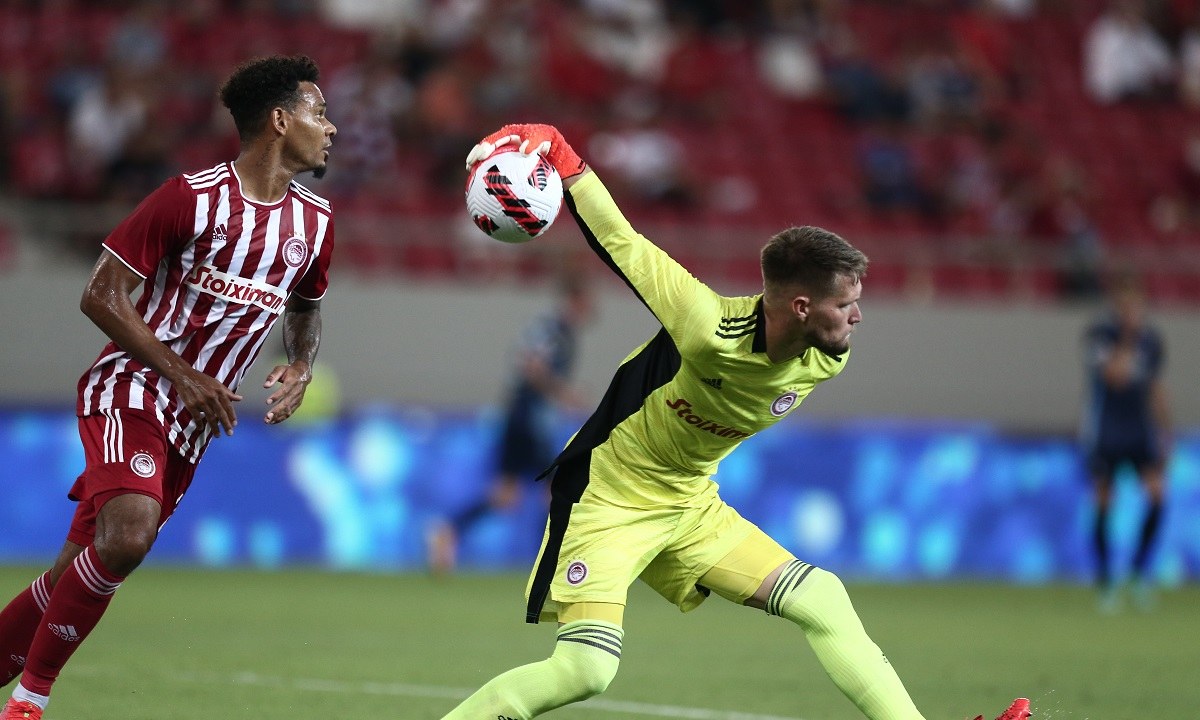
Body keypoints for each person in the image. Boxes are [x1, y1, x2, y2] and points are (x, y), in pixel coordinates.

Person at [439, 123, 1029, 720]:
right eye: (845, 305)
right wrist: (565, 158)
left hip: (689, 504)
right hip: (610, 495)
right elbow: (623, 243)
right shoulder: (706, 326)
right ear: (802, 307)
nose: (857, 318)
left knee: (822, 597)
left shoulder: (827, 357)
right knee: (587, 669)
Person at [0, 54, 337, 720]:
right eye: (318, 112)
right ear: (279, 120)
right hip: (132, 388)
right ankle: (28, 704)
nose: (330, 128)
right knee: (129, 536)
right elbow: (101, 294)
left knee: (76, 571)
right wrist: (183, 373)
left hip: (192, 423)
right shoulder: (191, 198)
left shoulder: (315, 224)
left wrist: (300, 365)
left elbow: (306, 308)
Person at [428, 276, 594, 573]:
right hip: (530, 419)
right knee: (553, 491)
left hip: (521, 415)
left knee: (506, 495)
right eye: (586, 302)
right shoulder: (555, 331)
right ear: (574, 300)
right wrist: (564, 393)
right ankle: (550, 564)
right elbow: (531, 365)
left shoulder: (554, 330)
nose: (590, 309)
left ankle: (449, 530)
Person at [1081, 274, 1170, 612]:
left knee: (1157, 496)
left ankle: (1138, 573)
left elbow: (1155, 386)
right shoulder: (1099, 336)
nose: (1133, 311)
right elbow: (1115, 377)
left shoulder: (1153, 341)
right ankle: (1106, 582)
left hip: (1140, 430)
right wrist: (1129, 337)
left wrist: (1166, 430)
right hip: (1107, 430)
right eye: (1127, 305)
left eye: (1138, 305)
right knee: (1105, 502)